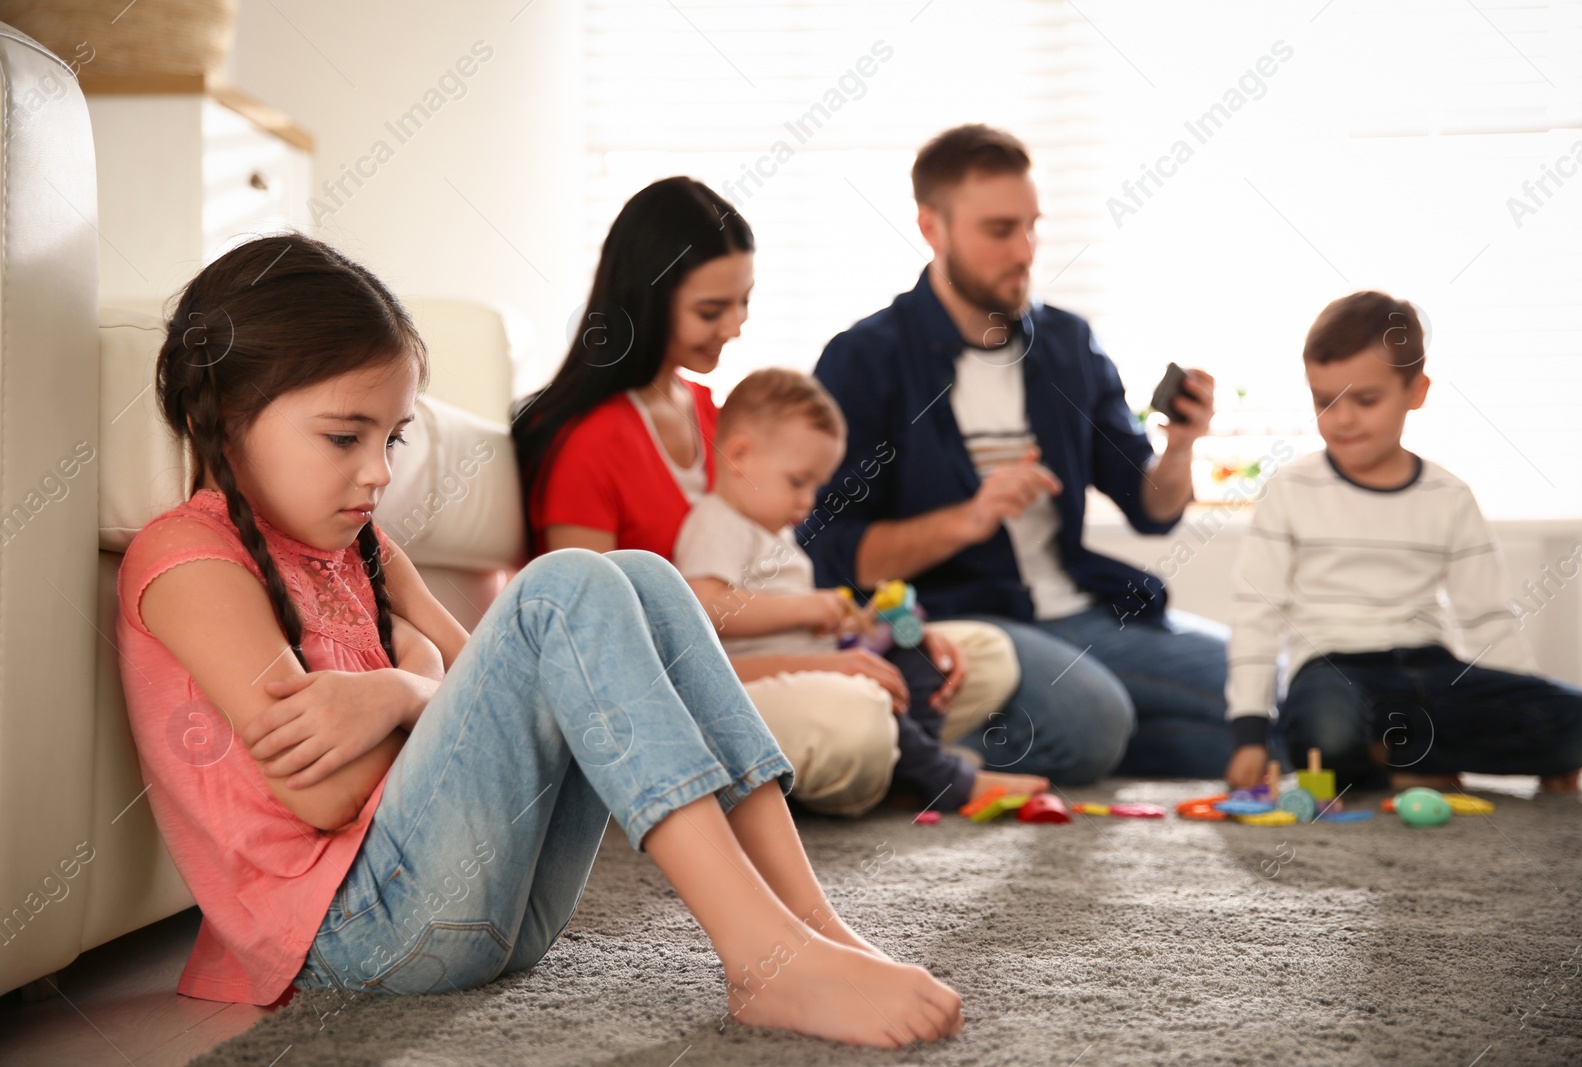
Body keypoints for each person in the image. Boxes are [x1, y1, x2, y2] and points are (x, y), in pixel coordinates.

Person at [115, 233, 962, 1048]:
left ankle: (810, 928)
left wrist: (404, 687)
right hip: (356, 939)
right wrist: (423, 674)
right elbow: (325, 795)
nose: (379, 470)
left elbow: (492, 686)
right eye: (346, 436)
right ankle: (759, 958)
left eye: (392, 437)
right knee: (562, 585)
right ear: (227, 416)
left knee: (643, 577)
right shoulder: (191, 561)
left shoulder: (367, 549)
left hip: (492, 913)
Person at [512, 176, 1016, 815]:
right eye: (710, 310)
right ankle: (899, 754)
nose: (736, 328)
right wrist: (815, 667)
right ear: (648, 300)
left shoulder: (712, 413)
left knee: (982, 656)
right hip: (675, 693)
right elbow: (607, 661)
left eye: (743, 303)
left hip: (766, 659)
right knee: (853, 725)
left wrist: (871, 631)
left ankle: (897, 749)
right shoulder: (585, 442)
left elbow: (776, 573)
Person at [805, 124, 1230, 785]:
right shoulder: (864, 360)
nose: (1025, 250)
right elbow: (832, 553)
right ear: (931, 227)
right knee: (1094, 720)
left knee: (1267, 691)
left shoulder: (1067, 343)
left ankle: (1089, 732)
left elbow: (1151, 510)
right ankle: (925, 756)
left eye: (1032, 226)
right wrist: (968, 519)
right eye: (1000, 230)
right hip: (956, 624)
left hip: (1081, 610)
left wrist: (1180, 447)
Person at [1224, 290, 1582, 793]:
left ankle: (1395, 758)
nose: (1342, 419)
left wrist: (1523, 701)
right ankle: (1411, 759)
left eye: (1365, 399)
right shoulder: (1290, 489)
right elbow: (1257, 611)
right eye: (1324, 400)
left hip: (1432, 672)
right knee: (1325, 726)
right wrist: (1249, 731)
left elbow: (1487, 618)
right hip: (1336, 669)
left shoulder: (1449, 495)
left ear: (1416, 391)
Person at [671, 367, 1040, 813]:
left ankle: (912, 768)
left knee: (915, 663)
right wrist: (809, 610)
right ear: (739, 456)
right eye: (798, 481)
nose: (809, 501)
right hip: (762, 678)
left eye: (817, 486)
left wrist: (869, 623)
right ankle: (944, 779)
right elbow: (704, 608)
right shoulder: (716, 522)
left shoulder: (775, 533)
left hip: (817, 660)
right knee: (873, 694)